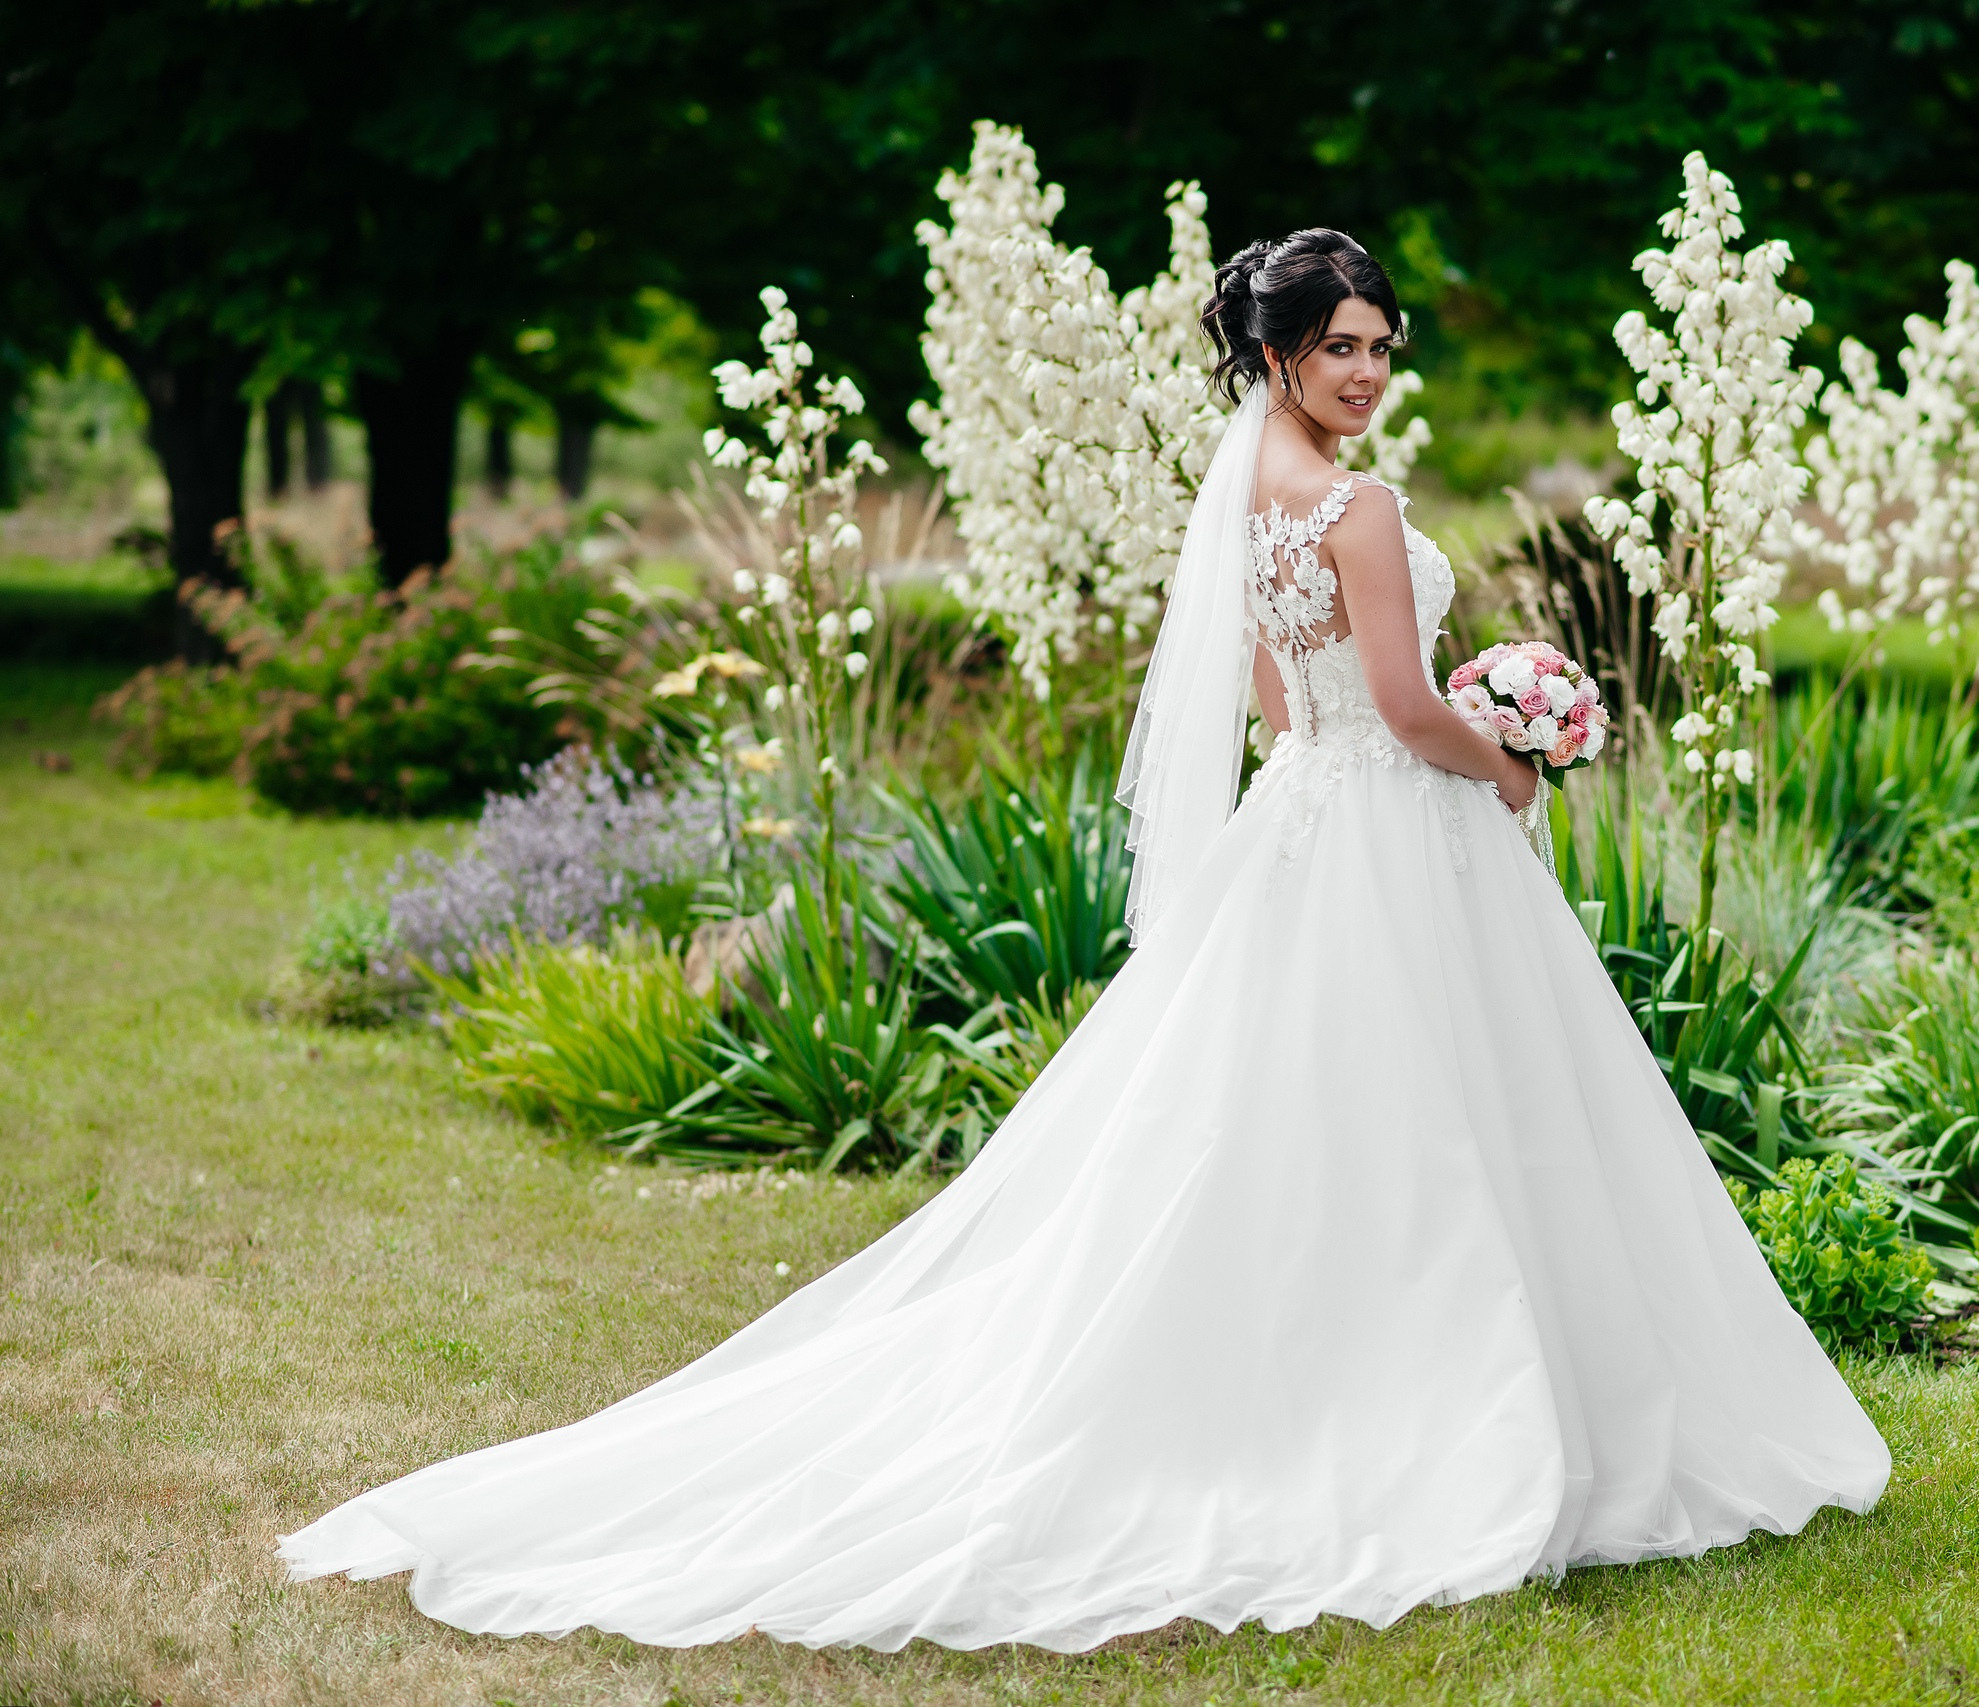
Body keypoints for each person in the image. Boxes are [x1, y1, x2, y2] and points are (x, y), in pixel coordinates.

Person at [279, 228, 1891, 1653]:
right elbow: (1401, 706)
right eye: (1340, 346)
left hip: (1307, 826)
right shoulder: (1359, 504)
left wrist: (1393, 742)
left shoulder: (1251, 498)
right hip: (1395, 827)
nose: (1368, 372)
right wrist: (1514, 758)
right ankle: (1434, 1420)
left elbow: (1279, 703)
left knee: (1299, 1127)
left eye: (1382, 347)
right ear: (1276, 353)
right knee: (1436, 1118)